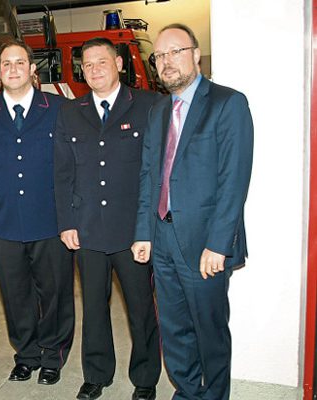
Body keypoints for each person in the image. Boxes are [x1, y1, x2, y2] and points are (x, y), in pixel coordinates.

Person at [131, 24, 254, 399]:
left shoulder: (228, 103)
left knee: (209, 331)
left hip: (205, 245)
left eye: (175, 52)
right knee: (174, 329)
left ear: (196, 54)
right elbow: (150, 175)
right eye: (160, 56)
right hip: (163, 238)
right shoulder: (157, 111)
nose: (167, 62)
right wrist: (143, 232)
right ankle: (185, 392)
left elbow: (233, 181)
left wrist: (219, 245)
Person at [54, 37, 161, 400]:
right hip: (87, 229)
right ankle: (97, 373)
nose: (94, 70)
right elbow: (63, 172)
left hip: (133, 230)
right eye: (88, 65)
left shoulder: (148, 105)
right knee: (94, 306)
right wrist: (66, 222)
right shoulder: (71, 110)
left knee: (141, 307)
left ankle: (145, 378)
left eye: (102, 62)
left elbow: (156, 172)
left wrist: (148, 227)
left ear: (118, 64)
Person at [0, 40, 74, 386]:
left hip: (50, 221)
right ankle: (26, 354)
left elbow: (71, 166)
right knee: (15, 296)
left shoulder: (59, 109)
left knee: (55, 293)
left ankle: (52, 355)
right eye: (5, 64)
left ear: (33, 69)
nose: (12, 68)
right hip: (4, 223)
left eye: (19, 62)